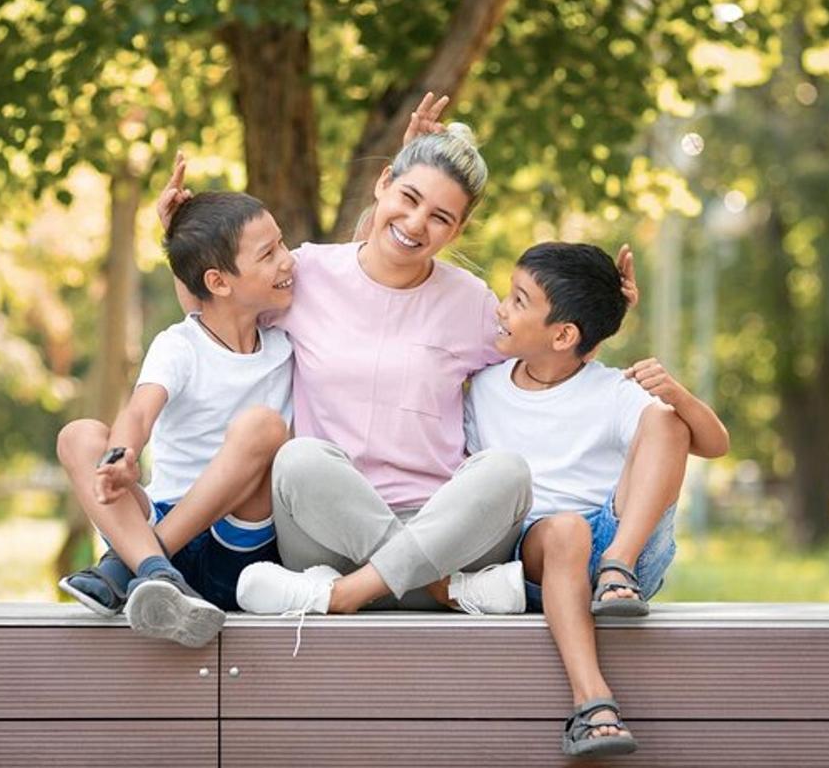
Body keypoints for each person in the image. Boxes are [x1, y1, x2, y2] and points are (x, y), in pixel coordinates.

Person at [213, 95, 537, 619]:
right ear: (382, 182)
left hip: (443, 527)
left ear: (458, 230)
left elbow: (543, 357)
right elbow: (217, 313)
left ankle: (344, 598)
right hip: (328, 535)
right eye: (407, 197)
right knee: (297, 458)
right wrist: (179, 241)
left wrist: (603, 308)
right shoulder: (309, 272)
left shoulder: (471, 300)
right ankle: (439, 589)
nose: (415, 222)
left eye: (439, 217)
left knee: (508, 471)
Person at [462, 241, 730, 759]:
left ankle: (617, 567)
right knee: (567, 530)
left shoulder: (610, 390)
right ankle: (594, 702)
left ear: (564, 335)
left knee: (665, 420)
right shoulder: (483, 387)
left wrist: (677, 394)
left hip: (621, 554)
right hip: (539, 556)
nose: (501, 308)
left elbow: (714, 444)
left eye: (518, 301)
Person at [55, 185, 295, 648]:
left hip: (238, 547)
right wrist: (122, 456)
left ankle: (137, 568)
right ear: (219, 282)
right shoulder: (179, 346)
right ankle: (158, 573)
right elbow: (140, 412)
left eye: (281, 243)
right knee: (78, 435)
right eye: (269, 253)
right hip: (160, 518)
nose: (287, 260)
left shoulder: (285, 343)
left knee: (263, 426)